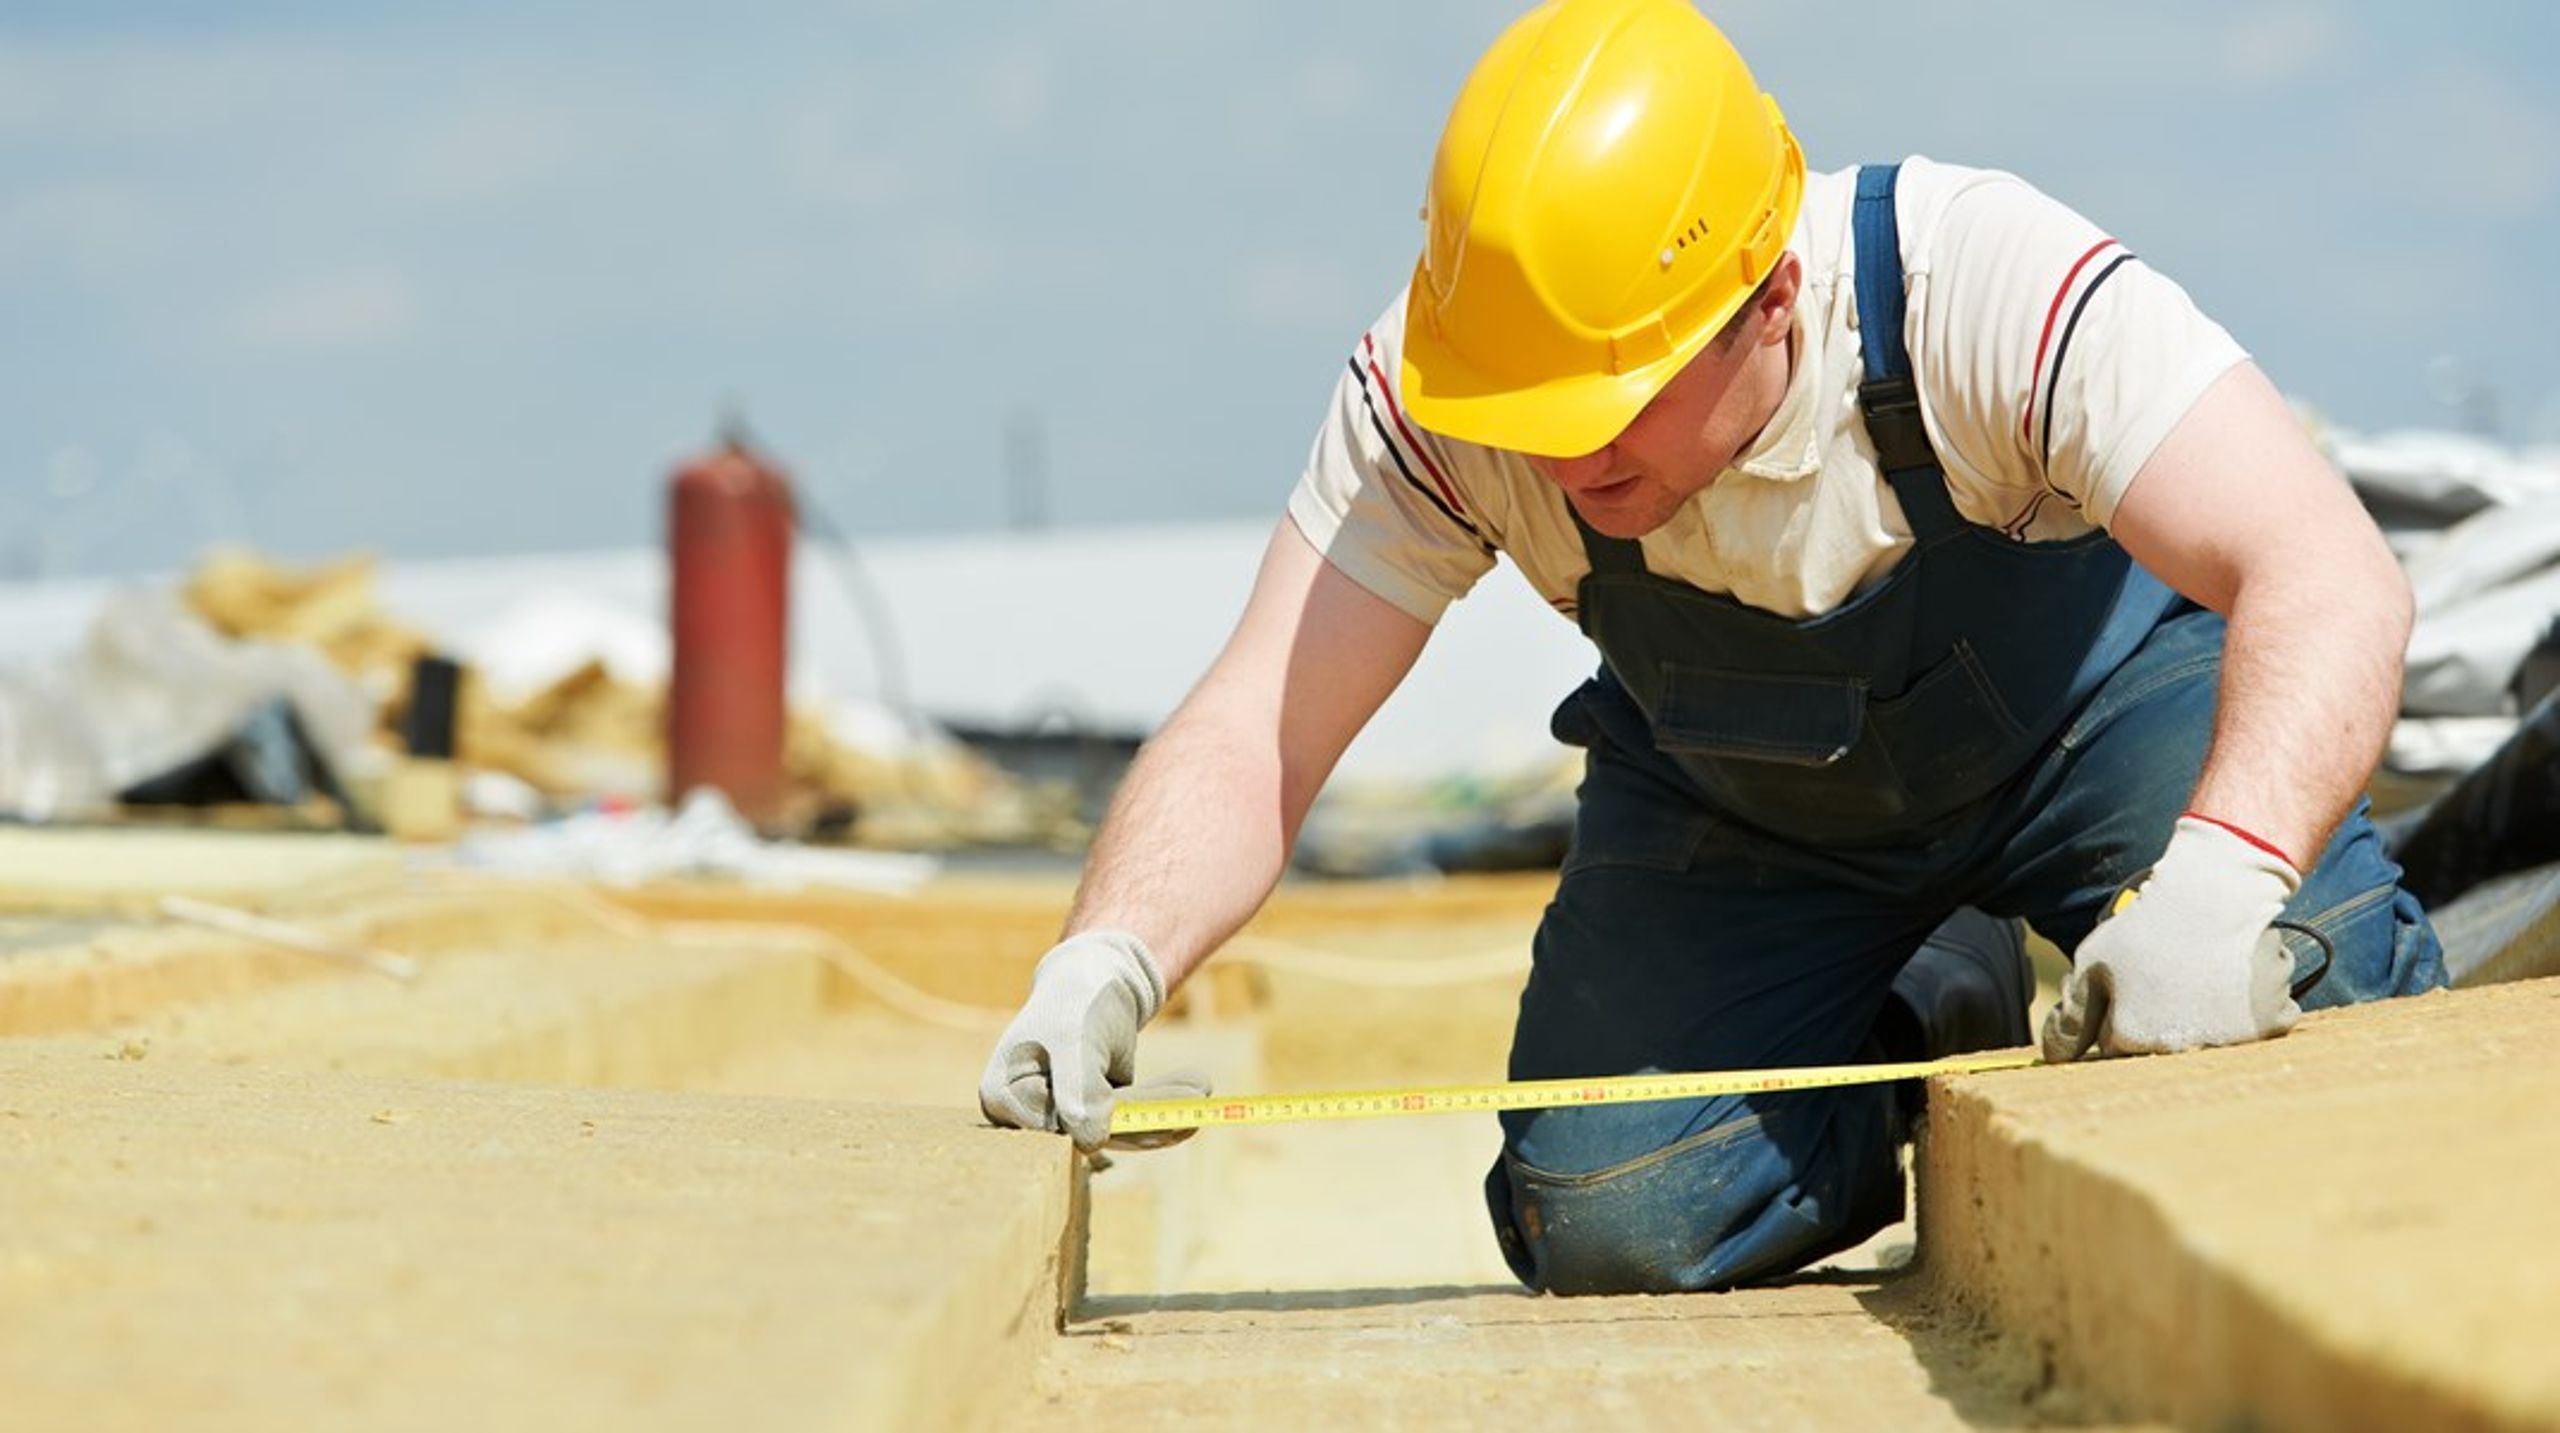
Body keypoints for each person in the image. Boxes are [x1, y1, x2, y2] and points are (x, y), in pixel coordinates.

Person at [978, 0, 2446, 1295]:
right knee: (1612, 1209)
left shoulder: (1972, 284)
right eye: (1531, 412)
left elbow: (2327, 569)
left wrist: (2217, 883)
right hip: (1751, 809)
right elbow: (1258, 725)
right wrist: (1102, 961)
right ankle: (1939, 994)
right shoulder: (1454, 388)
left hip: (2092, 732)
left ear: (1774, 294)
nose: (1563, 456)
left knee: (2314, 983)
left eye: (1613, 399)